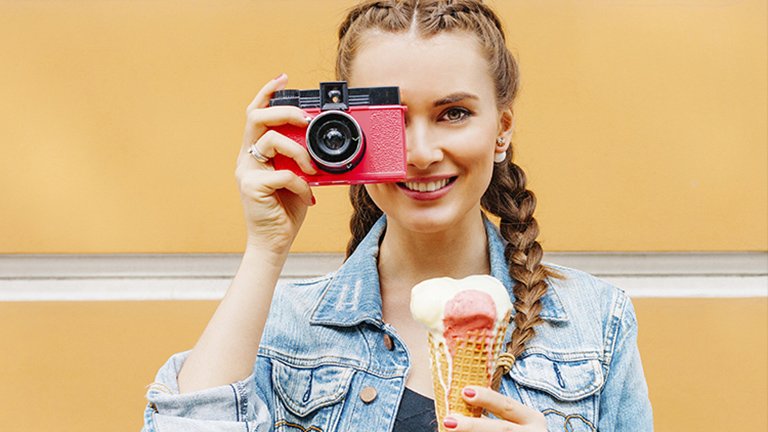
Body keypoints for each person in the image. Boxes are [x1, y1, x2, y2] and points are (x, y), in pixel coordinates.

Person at [142, 1, 653, 431]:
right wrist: (264, 249)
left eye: (454, 113)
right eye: (391, 120)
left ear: (502, 128)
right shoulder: (278, 326)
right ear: (346, 132)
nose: (422, 151)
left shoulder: (596, 324)